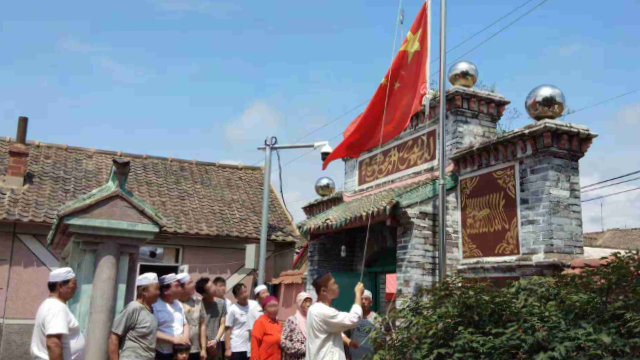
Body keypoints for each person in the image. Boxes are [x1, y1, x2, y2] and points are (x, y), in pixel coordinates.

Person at [305, 272, 364, 360]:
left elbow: (332, 328)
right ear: (324, 291)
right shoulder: (323, 311)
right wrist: (358, 294)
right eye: (334, 283)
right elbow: (354, 318)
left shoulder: (313, 309)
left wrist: (348, 341)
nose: (337, 286)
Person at [30, 267, 85, 360]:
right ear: (60, 286)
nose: (76, 287)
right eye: (74, 283)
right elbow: (53, 343)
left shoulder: (51, 304)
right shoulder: (56, 307)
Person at [108, 272, 160, 360]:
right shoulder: (134, 308)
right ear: (144, 291)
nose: (158, 292)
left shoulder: (152, 310)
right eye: (156, 289)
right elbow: (114, 337)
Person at [153, 273, 190, 360]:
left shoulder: (178, 304)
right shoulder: (154, 306)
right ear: (166, 290)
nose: (180, 289)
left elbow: (185, 324)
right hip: (162, 353)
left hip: (179, 353)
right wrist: (173, 339)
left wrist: (185, 337)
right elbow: (151, 331)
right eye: (177, 286)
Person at [177, 273, 207, 360]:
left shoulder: (198, 302)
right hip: (178, 351)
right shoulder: (173, 304)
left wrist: (203, 349)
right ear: (181, 287)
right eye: (189, 283)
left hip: (195, 350)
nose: (193, 285)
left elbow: (202, 325)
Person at [195, 277, 226, 360]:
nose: (214, 288)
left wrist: (216, 340)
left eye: (213, 285)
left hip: (217, 344)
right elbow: (197, 328)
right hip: (202, 347)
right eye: (210, 288)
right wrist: (206, 345)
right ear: (204, 294)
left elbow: (222, 324)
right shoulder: (198, 305)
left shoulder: (222, 303)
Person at [343, 290, 378, 360]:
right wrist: (347, 356)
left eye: (366, 299)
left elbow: (381, 341)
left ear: (371, 303)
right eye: (361, 299)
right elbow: (346, 337)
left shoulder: (377, 319)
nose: (363, 301)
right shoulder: (353, 318)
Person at [281, 292, 312, 360]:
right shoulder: (292, 321)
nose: (308, 304)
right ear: (299, 302)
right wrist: (301, 350)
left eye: (310, 302)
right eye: (305, 301)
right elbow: (284, 341)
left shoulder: (312, 321)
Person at [225, 283, 252, 360]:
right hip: (237, 347)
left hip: (250, 347)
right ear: (236, 297)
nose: (244, 295)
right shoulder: (232, 309)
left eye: (245, 292)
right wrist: (228, 348)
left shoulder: (253, 307)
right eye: (241, 294)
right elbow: (227, 329)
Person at [250, 296, 282, 360]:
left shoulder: (279, 324)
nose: (274, 309)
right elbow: (254, 343)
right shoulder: (260, 322)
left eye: (276, 306)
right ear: (264, 309)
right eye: (270, 306)